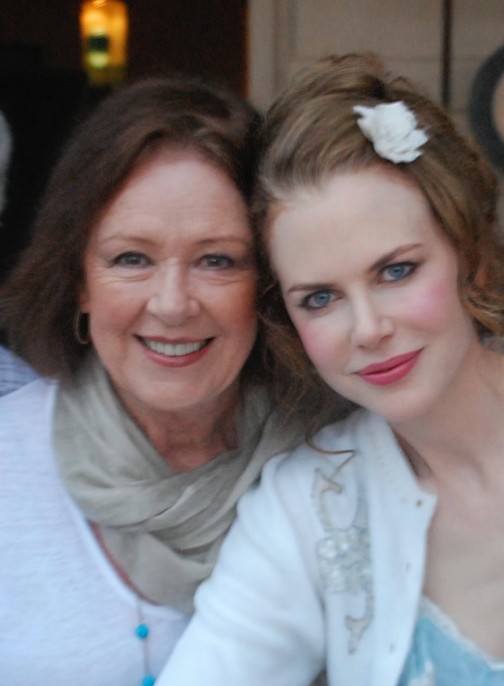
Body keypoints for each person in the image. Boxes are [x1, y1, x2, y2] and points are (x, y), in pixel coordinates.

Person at [159, 54, 504, 686]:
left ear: (469, 254)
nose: (367, 328)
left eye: (396, 271)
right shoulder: (305, 510)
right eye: (320, 298)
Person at [0, 79, 302, 684]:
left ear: (269, 282)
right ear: (80, 283)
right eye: (131, 258)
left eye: (217, 260)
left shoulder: (331, 460)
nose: (172, 304)